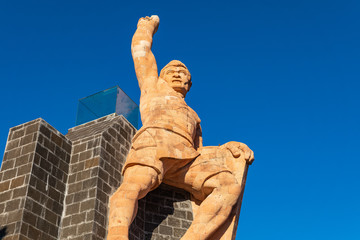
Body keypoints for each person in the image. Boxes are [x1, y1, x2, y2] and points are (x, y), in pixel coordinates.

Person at [107, 15, 254, 240]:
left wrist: (226, 149)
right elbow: (142, 54)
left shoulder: (194, 116)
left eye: (182, 72)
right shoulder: (152, 88)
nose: (177, 73)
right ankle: (117, 234)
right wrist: (145, 28)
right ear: (162, 77)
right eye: (171, 70)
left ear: (189, 83)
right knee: (133, 186)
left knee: (228, 185)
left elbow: (199, 151)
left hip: (185, 158)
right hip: (154, 144)